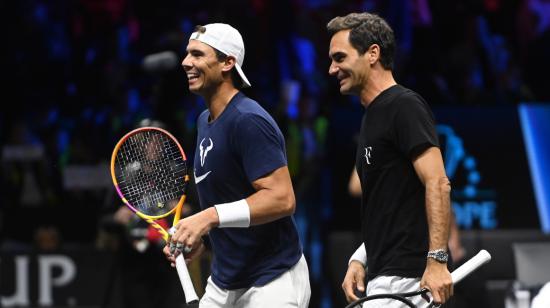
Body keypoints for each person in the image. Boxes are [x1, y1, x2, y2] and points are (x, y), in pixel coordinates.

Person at [164, 23, 310, 308]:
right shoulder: (204, 121)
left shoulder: (248, 120)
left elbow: (282, 199)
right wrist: (203, 240)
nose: (186, 62)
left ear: (228, 63)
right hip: (224, 280)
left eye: (197, 54)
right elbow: (230, 198)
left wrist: (207, 218)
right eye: (186, 54)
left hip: (271, 278)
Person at [327, 12, 453, 306]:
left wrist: (437, 261)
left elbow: (437, 182)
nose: (332, 69)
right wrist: (360, 259)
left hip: (408, 280)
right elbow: (388, 210)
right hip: (385, 278)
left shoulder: (404, 106)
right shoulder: (372, 116)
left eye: (340, 57)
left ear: (372, 53)